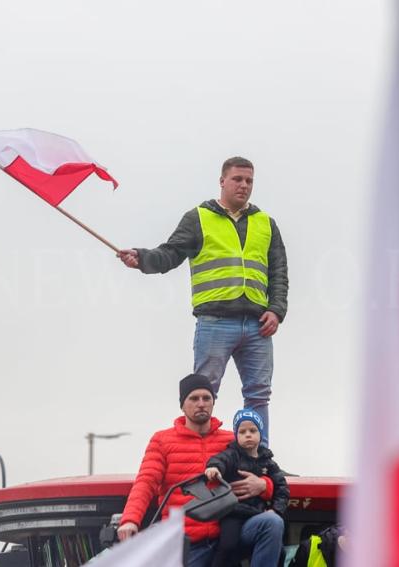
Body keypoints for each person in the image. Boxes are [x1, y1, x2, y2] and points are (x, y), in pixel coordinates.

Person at [117, 157, 288, 446]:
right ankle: (201, 454)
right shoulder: (199, 218)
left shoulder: (266, 224)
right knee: (203, 392)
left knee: (259, 393)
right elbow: (170, 253)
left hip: (258, 324)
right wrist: (142, 258)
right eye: (237, 179)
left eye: (249, 180)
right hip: (215, 321)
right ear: (222, 181)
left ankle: (260, 459)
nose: (244, 185)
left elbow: (278, 271)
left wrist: (276, 310)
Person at [117, 374, 285, 567]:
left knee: (272, 523)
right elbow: (146, 482)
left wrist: (265, 485)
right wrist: (130, 520)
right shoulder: (162, 440)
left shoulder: (233, 439)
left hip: (229, 532)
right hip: (187, 542)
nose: (201, 403)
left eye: (207, 398)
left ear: (213, 403)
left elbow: (267, 468)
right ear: (182, 404)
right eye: (194, 398)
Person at [204, 408, 289, 567]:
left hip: (257, 514)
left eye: (252, 430)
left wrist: (276, 510)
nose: (248, 434)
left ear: (261, 433)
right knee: (227, 545)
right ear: (236, 436)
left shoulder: (268, 462)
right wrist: (214, 468)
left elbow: (282, 488)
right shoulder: (232, 454)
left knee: (280, 551)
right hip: (234, 514)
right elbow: (220, 460)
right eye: (242, 432)